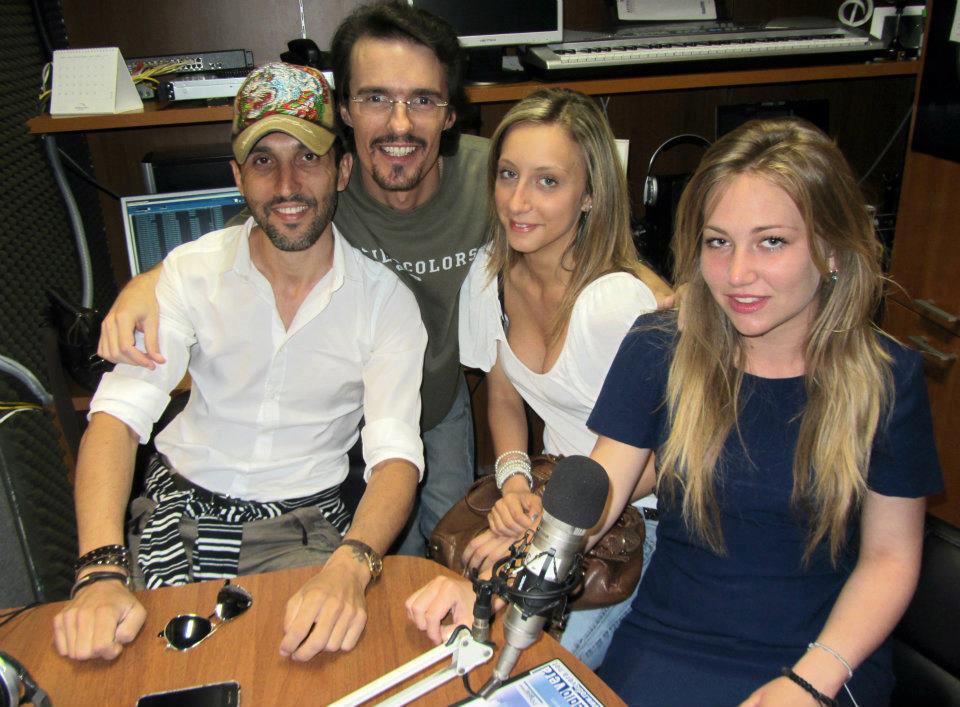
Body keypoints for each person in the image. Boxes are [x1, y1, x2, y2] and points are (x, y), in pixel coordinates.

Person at [95, 1, 672, 558]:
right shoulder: (318, 182)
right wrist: (146, 283)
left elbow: (586, 231)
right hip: (333, 418)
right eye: (376, 98)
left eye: (422, 99)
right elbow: (236, 241)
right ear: (346, 110)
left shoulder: (494, 177)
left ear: (450, 113)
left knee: (446, 552)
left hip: (434, 400)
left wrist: (659, 293)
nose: (400, 123)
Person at [408, 117, 942, 706]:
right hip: (667, 640)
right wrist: (497, 590)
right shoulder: (660, 346)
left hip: (822, 655)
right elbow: (599, 498)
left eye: (771, 242)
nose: (737, 274)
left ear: (833, 249)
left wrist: (810, 681)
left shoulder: (887, 380)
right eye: (718, 242)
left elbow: (890, 560)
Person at [53, 62, 427, 662]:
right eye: (263, 160)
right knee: (134, 671)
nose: (286, 184)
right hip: (176, 514)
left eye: (308, 157)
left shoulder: (386, 304)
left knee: (310, 673)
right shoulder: (189, 273)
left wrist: (351, 566)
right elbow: (117, 419)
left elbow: (396, 459)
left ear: (342, 169)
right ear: (237, 176)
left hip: (302, 530)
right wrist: (99, 570)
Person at [454, 88, 660, 669]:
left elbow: (666, 459)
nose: (518, 201)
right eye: (508, 174)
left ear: (590, 194)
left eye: (548, 181)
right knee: (458, 635)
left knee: (519, 665)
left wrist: (544, 519)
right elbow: (503, 398)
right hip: (554, 492)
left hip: (636, 519)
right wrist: (515, 483)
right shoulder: (489, 276)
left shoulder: (615, 304)